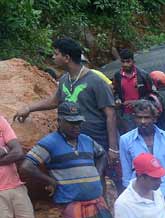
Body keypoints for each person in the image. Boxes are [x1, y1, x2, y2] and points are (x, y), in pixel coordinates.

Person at [15, 38, 119, 192]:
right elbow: (54, 101)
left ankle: (100, 209)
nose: (53, 57)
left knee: (97, 178)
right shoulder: (64, 79)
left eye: (56, 54)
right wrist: (29, 108)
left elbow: (110, 115)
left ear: (67, 57)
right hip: (72, 140)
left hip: (96, 139)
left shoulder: (96, 81)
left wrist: (113, 148)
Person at [119, 100, 165, 218]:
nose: (142, 121)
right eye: (139, 117)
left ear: (154, 118)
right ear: (134, 118)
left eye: (146, 117)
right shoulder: (125, 140)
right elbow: (126, 177)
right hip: (139, 199)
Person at [112, 49, 154, 134]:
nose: (125, 64)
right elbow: (115, 92)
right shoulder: (117, 76)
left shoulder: (143, 75)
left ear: (133, 61)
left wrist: (138, 102)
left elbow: (152, 94)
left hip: (143, 113)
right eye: (123, 62)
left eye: (128, 61)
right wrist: (117, 99)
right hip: (126, 115)